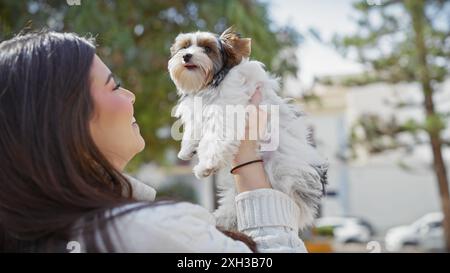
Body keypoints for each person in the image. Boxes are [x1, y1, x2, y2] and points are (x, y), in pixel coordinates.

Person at [0, 31, 307, 252]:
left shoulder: (29, 234)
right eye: (115, 86)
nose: (131, 95)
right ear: (66, 117)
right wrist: (247, 157)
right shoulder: (157, 232)